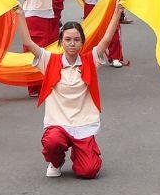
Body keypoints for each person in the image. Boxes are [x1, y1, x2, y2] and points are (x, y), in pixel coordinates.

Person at [22, 18, 112, 178]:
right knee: (52, 142)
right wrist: (20, 14)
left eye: (77, 40)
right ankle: (56, 161)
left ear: (82, 42)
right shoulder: (49, 60)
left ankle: (79, 152)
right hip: (58, 124)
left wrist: (118, 11)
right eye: (68, 39)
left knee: (89, 171)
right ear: (61, 41)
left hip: (83, 124)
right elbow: (28, 42)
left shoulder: (90, 60)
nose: (72, 43)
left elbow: (106, 40)